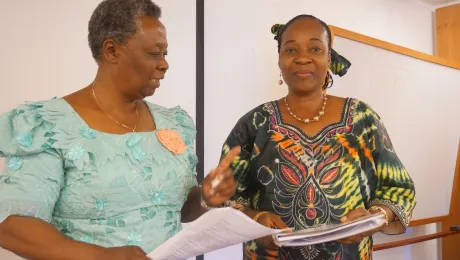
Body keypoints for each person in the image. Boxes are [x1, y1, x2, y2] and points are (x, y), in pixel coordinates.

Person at [0, 0, 240, 259]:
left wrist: (204, 197)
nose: (164, 64)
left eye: (165, 54)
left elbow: (176, 209)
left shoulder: (173, 123)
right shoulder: (51, 126)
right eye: (153, 53)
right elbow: (12, 226)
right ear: (112, 51)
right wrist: (101, 256)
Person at [220, 14, 416, 260]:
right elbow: (225, 200)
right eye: (290, 49)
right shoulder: (253, 123)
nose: (302, 57)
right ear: (279, 60)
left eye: (315, 48)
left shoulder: (362, 119)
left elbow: (398, 190)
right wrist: (256, 220)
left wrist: (375, 217)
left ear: (329, 58)